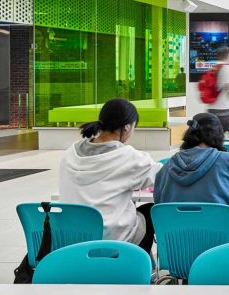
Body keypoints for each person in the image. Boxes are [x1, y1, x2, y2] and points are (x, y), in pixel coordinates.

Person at [59, 99, 161, 252]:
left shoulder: (69, 154)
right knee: (151, 211)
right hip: (112, 241)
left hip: (71, 240)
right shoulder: (129, 157)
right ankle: (135, 266)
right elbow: (163, 175)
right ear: (126, 127)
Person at [154, 113, 229, 239]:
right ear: (219, 134)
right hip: (224, 250)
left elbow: (159, 203)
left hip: (176, 250)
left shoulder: (167, 167)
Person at [202, 47, 229, 137]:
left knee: (213, 140)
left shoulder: (212, 69)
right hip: (226, 111)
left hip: (212, 110)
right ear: (228, 56)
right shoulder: (228, 68)